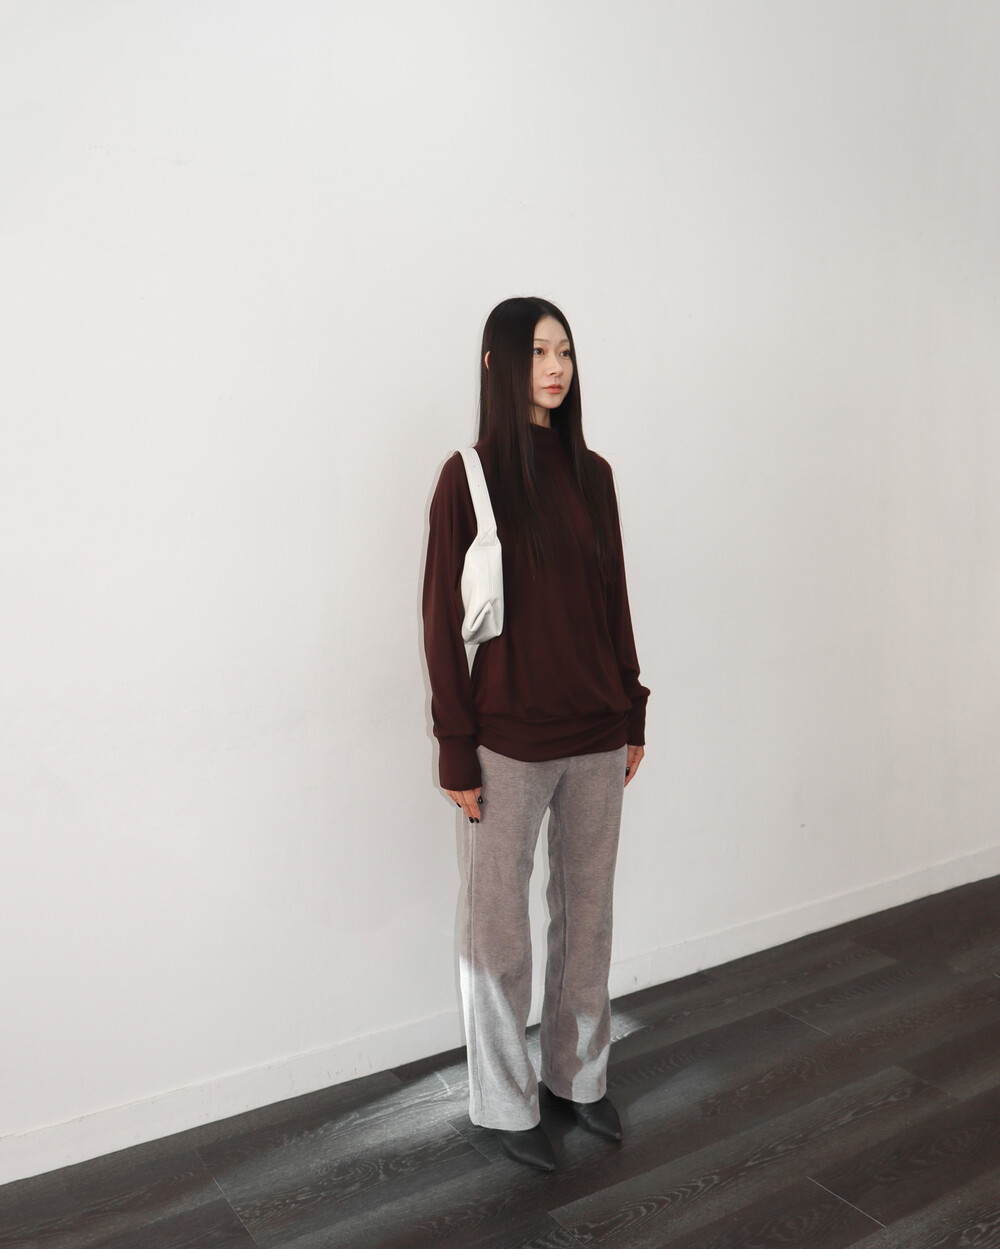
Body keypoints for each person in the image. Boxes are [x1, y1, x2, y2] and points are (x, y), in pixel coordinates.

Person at [422, 296, 649, 1172]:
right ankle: (504, 1104)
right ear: (498, 364)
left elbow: (613, 598)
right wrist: (455, 743)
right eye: (537, 352)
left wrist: (631, 705)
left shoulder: (595, 474)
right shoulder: (468, 478)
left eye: (565, 351)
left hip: (596, 733)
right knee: (498, 933)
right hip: (506, 743)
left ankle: (577, 1079)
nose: (555, 367)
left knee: (588, 918)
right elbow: (440, 621)